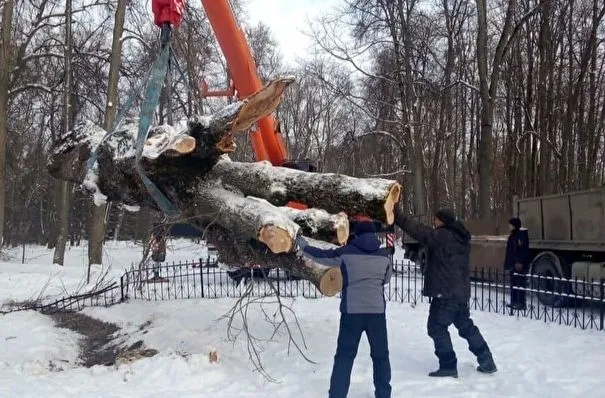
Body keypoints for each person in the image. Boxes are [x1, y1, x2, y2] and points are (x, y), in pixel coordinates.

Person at [394, 207, 497, 378]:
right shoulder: (461, 237)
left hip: (445, 293)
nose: (434, 222)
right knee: (466, 327)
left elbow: (418, 230)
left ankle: (448, 365)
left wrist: (397, 215)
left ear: (443, 221)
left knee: (436, 327)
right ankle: (487, 360)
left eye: (436, 219)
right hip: (460, 292)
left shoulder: (442, 236)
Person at [296, 221, 393, 398]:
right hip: (377, 313)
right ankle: (384, 394)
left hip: (351, 312)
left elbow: (322, 256)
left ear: (356, 235)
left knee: (345, 356)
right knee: (381, 356)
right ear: (374, 236)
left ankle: (337, 394)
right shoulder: (385, 255)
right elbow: (385, 280)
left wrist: (303, 245)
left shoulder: (346, 252)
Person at [505, 217, 530, 310]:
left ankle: (521, 303)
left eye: (510, 225)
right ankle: (514, 302)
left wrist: (519, 261)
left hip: (519, 264)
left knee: (520, 284)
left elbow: (523, 250)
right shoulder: (513, 235)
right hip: (513, 264)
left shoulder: (521, 235)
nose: (509, 226)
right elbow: (510, 251)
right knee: (514, 284)